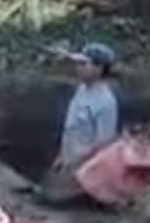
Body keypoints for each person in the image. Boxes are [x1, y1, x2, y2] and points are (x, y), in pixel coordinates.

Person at [43, 42, 121, 204]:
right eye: (78, 63)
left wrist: (75, 164)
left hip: (84, 171)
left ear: (99, 69)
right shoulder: (82, 90)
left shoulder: (105, 102)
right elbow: (72, 128)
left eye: (84, 64)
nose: (78, 68)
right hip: (69, 162)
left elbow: (103, 144)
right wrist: (62, 156)